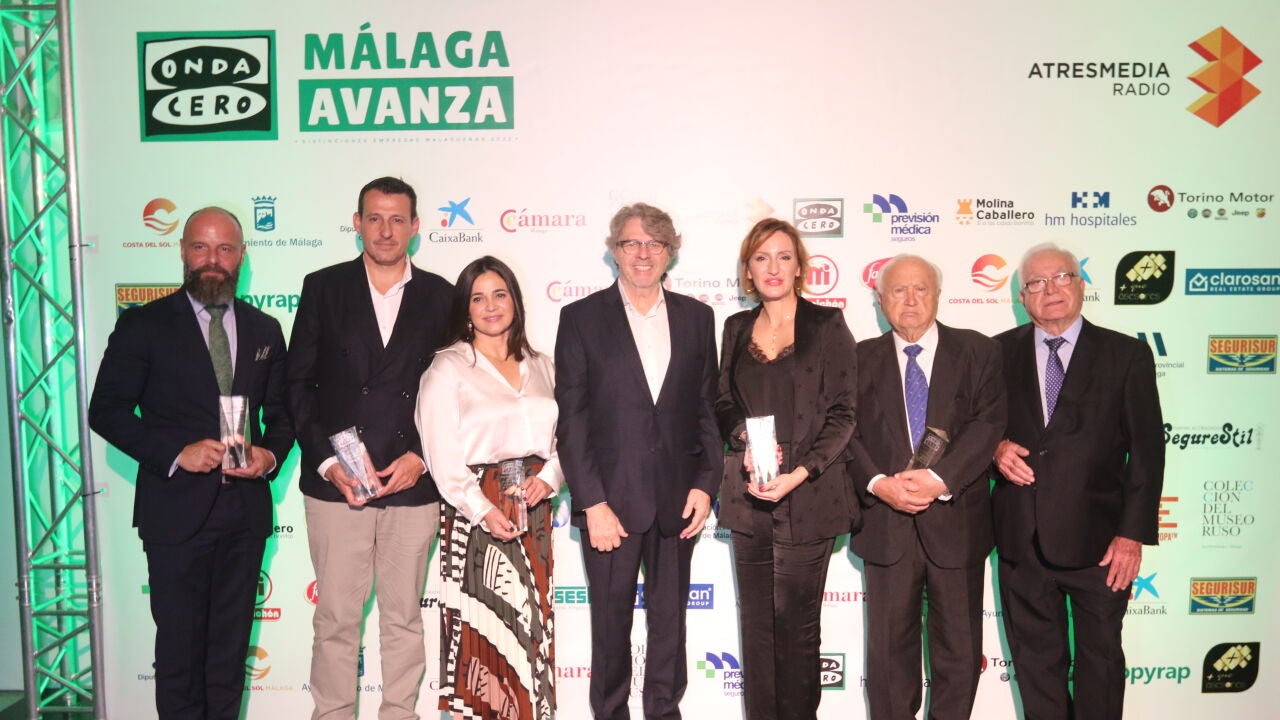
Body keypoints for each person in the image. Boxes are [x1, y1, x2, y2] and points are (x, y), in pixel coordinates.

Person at [88, 207, 293, 720]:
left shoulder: (265, 328)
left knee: (229, 654)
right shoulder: (143, 324)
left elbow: (284, 414)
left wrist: (268, 454)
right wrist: (176, 452)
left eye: (225, 249)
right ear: (182, 251)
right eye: (201, 247)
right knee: (179, 654)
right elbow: (106, 410)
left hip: (244, 515)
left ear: (242, 256)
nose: (213, 260)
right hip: (174, 513)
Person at [286, 176, 453, 720]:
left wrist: (421, 457)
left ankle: (400, 713)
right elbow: (297, 384)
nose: (385, 230)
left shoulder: (442, 296)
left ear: (415, 227)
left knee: (403, 618)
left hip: (412, 484)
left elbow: (457, 393)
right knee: (336, 618)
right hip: (337, 488)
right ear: (357, 223)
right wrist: (327, 462)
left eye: (397, 219)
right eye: (375, 218)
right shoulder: (323, 287)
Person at [554, 202, 724, 720]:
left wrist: (706, 484)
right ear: (615, 251)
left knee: (671, 626)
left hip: (678, 501)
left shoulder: (697, 318)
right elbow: (572, 421)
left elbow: (707, 410)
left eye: (654, 243)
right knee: (610, 627)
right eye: (631, 243)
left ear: (670, 251)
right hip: (610, 506)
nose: (643, 253)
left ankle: (664, 712)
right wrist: (593, 503)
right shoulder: (581, 319)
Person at [992, 243, 1164, 720]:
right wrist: (995, 449)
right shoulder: (995, 353)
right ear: (1022, 297)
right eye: (1036, 283)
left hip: (1102, 545)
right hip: (1022, 541)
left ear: (1081, 284)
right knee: (1036, 668)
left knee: (1101, 664)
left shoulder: (1125, 354)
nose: (1050, 289)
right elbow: (976, 431)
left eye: (1062, 277)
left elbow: (1148, 451)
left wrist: (1131, 535)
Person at [846, 254, 1005, 720]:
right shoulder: (857, 359)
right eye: (898, 290)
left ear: (937, 295)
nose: (910, 300)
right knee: (888, 657)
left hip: (957, 523)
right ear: (880, 300)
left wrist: (939, 480)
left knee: (959, 650)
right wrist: (878, 483)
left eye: (921, 289)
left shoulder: (978, 351)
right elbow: (844, 432)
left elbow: (988, 423)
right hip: (885, 523)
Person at [714, 218, 859, 720]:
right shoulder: (736, 328)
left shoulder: (827, 324)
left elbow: (844, 413)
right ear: (748, 270)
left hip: (809, 494)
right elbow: (723, 402)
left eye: (783, 256)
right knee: (756, 628)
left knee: (795, 629)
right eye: (761, 258)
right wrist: (742, 441)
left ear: (799, 267)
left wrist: (801, 473)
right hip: (748, 491)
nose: (772, 267)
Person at [416, 256, 561, 719]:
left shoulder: (542, 365)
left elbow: (570, 440)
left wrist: (550, 479)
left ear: (515, 301)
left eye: (500, 294)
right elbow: (441, 456)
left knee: (532, 629)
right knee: (485, 634)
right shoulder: (448, 368)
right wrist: (481, 510)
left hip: (535, 512)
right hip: (476, 514)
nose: (491, 306)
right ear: (465, 309)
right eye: (478, 298)